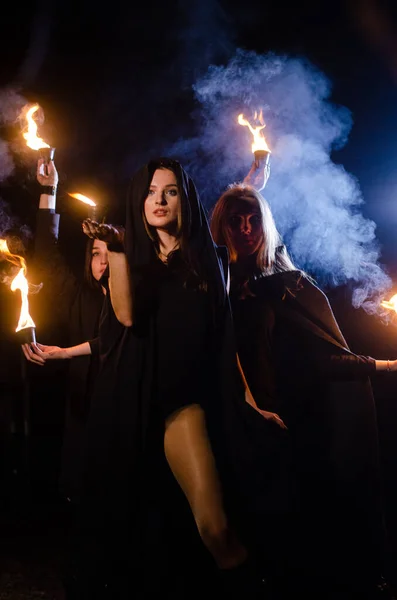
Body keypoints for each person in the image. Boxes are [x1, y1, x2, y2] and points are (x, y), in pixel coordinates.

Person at [70, 157, 279, 599]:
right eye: (150, 192)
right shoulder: (131, 257)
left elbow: (226, 339)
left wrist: (249, 401)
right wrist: (118, 249)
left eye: (169, 191)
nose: (159, 200)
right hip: (130, 401)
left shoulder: (213, 260)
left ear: (185, 200)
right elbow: (125, 315)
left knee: (215, 526)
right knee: (130, 532)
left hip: (182, 404)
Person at [210, 181, 397, 597]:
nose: (245, 228)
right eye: (235, 221)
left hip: (291, 425)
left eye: (253, 219)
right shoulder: (214, 286)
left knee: (297, 539)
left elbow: (322, 358)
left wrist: (384, 365)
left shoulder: (288, 283)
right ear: (221, 226)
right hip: (236, 420)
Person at [22, 157, 108, 505]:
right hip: (82, 418)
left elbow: (115, 342)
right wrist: (49, 190)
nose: (102, 261)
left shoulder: (142, 305)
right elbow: (47, 251)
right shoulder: (80, 298)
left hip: (123, 422)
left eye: (110, 253)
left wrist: (66, 352)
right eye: (96, 253)